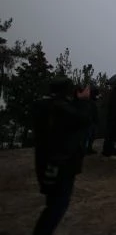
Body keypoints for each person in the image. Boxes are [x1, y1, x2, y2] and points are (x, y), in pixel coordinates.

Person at [32, 77, 93, 235]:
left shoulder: (45, 105)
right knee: (57, 205)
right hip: (62, 162)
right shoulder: (62, 109)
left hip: (45, 160)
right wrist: (84, 101)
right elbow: (83, 120)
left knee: (52, 202)